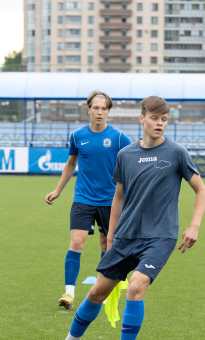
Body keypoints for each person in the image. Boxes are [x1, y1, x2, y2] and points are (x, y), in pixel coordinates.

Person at [37, 96, 205, 340]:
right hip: (127, 235)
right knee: (96, 293)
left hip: (160, 236)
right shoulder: (125, 155)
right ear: (141, 119)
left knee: (136, 287)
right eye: (154, 118)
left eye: (164, 119)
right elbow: (117, 198)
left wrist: (194, 226)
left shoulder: (176, 152)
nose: (160, 124)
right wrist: (112, 235)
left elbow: (201, 190)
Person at [45, 90, 132, 310]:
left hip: (110, 201)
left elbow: (135, 159)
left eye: (104, 108)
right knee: (77, 242)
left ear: (109, 111)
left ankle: (105, 289)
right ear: (89, 109)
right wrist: (57, 191)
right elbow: (70, 164)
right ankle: (69, 293)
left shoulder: (119, 137)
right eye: (96, 108)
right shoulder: (77, 136)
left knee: (107, 244)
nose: (100, 112)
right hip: (83, 198)